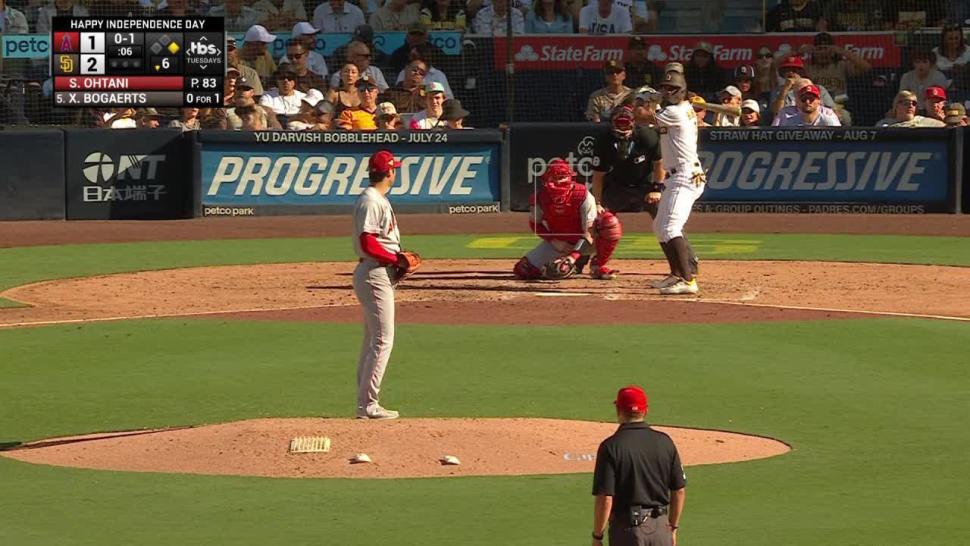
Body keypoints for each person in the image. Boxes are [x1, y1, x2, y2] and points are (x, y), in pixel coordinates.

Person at [352, 149, 417, 420]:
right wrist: (396, 259)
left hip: (378, 272)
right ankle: (368, 405)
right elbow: (368, 242)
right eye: (394, 170)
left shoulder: (378, 198)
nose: (395, 174)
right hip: (374, 273)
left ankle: (364, 403)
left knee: (372, 341)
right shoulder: (371, 200)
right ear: (389, 172)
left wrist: (395, 262)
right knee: (382, 340)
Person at [591, 385, 686, 546]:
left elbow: (606, 498)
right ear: (645, 410)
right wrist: (673, 528)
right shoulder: (665, 442)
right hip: (661, 529)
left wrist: (597, 536)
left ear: (618, 410)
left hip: (628, 531)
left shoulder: (611, 446)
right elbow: (679, 490)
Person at [587, 105, 668, 281]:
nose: (622, 128)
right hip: (617, 186)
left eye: (626, 124)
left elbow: (659, 164)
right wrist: (597, 203)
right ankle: (582, 262)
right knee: (597, 221)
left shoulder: (647, 135)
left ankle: (684, 263)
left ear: (633, 123)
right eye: (619, 124)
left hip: (645, 187)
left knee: (668, 220)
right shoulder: (603, 139)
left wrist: (656, 188)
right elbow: (598, 176)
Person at [643, 72, 705, 295]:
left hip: (685, 176)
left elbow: (644, 116)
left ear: (681, 91)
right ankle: (676, 274)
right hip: (676, 175)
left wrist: (644, 98)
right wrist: (654, 99)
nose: (667, 92)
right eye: (665, 88)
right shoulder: (683, 107)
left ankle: (688, 280)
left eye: (672, 89)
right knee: (660, 227)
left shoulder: (676, 112)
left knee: (670, 228)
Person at [512, 159, 619, 281]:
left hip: (587, 243)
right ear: (546, 180)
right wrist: (553, 241)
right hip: (560, 243)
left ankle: (597, 266)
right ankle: (551, 268)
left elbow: (589, 232)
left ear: (570, 178)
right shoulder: (540, 198)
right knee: (523, 269)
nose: (557, 181)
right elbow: (535, 224)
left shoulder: (583, 195)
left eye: (561, 177)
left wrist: (572, 257)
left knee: (610, 223)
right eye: (553, 178)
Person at [772, 84, 842, 127]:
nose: (807, 102)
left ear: (819, 101)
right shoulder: (789, 122)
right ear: (798, 101)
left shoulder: (828, 121)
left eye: (811, 99)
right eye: (804, 99)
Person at [875, 90, 945, 127]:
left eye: (914, 103)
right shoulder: (883, 124)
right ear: (896, 105)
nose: (911, 106)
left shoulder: (926, 122)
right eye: (906, 103)